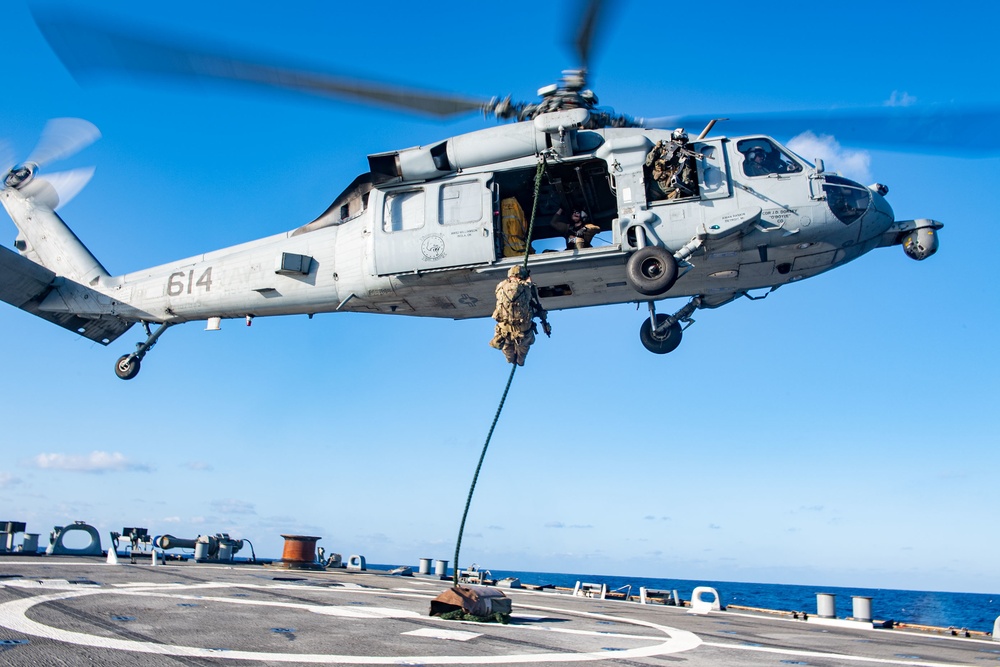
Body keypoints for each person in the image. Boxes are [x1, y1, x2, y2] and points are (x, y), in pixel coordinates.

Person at [489, 265, 550, 366]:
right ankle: (520, 362)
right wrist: (529, 283)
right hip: (523, 332)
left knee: (509, 356)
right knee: (521, 357)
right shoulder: (526, 287)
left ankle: (510, 359)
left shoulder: (500, 286)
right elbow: (531, 301)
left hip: (503, 331)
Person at [645, 128, 699, 200]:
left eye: (682, 139)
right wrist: (655, 149)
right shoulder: (663, 149)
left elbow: (686, 172)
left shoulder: (684, 156)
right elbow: (648, 163)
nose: (679, 141)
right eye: (677, 138)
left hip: (670, 188)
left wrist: (687, 183)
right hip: (656, 186)